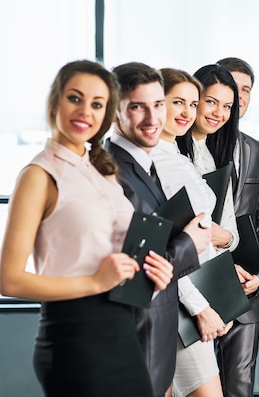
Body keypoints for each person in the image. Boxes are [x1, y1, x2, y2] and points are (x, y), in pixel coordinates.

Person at [0, 60, 175, 397]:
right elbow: (10, 280)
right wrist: (95, 281)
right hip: (74, 340)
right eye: (75, 98)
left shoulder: (102, 171)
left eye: (97, 104)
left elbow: (113, 256)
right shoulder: (39, 176)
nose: (85, 112)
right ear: (55, 102)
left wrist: (153, 273)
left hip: (123, 331)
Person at [104, 62, 209, 397]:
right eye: (137, 107)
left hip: (158, 329)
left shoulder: (144, 164)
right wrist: (190, 241)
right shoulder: (116, 172)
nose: (152, 119)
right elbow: (134, 278)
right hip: (141, 330)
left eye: (157, 106)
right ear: (114, 110)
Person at [149, 68, 232, 397]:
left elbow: (195, 241)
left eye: (193, 103)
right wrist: (201, 308)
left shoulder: (177, 157)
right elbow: (166, 248)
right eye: (177, 102)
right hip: (181, 303)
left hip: (190, 297)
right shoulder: (158, 163)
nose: (187, 112)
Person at [173, 63, 242, 397]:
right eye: (211, 101)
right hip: (178, 296)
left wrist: (217, 239)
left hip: (201, 289)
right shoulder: (170, 154)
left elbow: (229, 235)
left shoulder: (214, 155)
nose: (218, 113)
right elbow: (174, 243)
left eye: (227, 106)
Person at [215, 57, 259, 397]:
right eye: (229, 89)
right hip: (194, 285)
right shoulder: (182, 147)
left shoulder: (258, 151)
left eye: (245, 90)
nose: (238, 98)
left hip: (245, 286)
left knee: (239, 386)